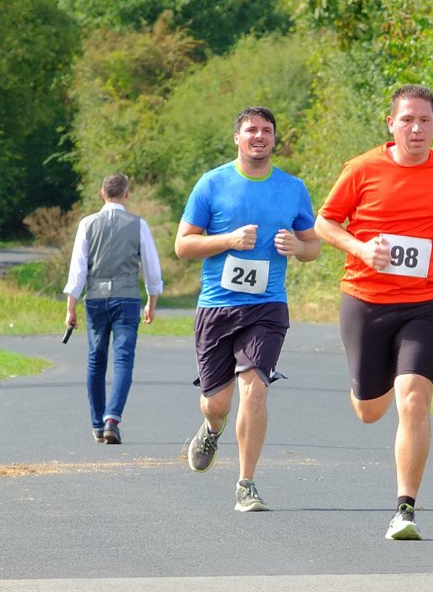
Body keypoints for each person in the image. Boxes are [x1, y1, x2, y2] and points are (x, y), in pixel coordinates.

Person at [315, 84, 433, 540]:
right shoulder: (361, 168)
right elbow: (325, 222)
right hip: (366, 299)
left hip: (426, 303)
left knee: (413, 398)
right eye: (407, 119)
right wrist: (359, 247)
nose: (416, 128)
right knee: (370, 411)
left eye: (425, 120)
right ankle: (368, 383)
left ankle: (405, 509)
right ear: (391, 124)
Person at [174, 106, 321, 512]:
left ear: (274, 139)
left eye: (267, 130)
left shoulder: (292, 188)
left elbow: (313, 247)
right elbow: (183, 245)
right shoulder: (212, 183)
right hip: (217, 307)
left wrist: (298, 248)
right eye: (251, 130)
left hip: (267, 306)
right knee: (217, 402)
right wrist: (228, 240)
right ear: (237, 137)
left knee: (255, 388)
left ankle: (246, 483)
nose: (259, 136)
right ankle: (210, 427)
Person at [64, 173, 163, 445]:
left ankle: (97, 423)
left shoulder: (87, 224)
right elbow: (152, 269)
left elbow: (78, 270)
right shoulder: (138, 225)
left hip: (95, 299)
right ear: (126, 194)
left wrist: (70, 308)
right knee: (123, 361)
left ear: (101, 193)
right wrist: (151, 302)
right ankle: (112, 419)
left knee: (96, 360)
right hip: (127, 298)